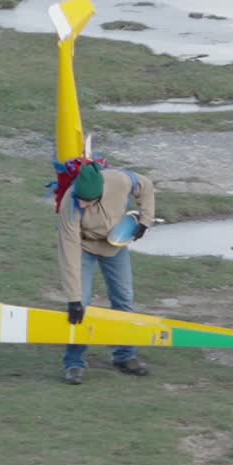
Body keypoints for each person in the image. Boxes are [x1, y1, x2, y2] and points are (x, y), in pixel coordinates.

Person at [58, 160, 155, 384]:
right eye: (79, 200)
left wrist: (145, 221)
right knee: (80, 305)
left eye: (87, 202)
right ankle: (74, 363)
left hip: (115, 244)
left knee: (124, 299)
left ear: (100, 194)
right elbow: (69, 253)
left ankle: (125, 356)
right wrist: (73, 298)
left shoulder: (120, 180)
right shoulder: (70, 206)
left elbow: (146, 185)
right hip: (83, 246)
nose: (82, 204)